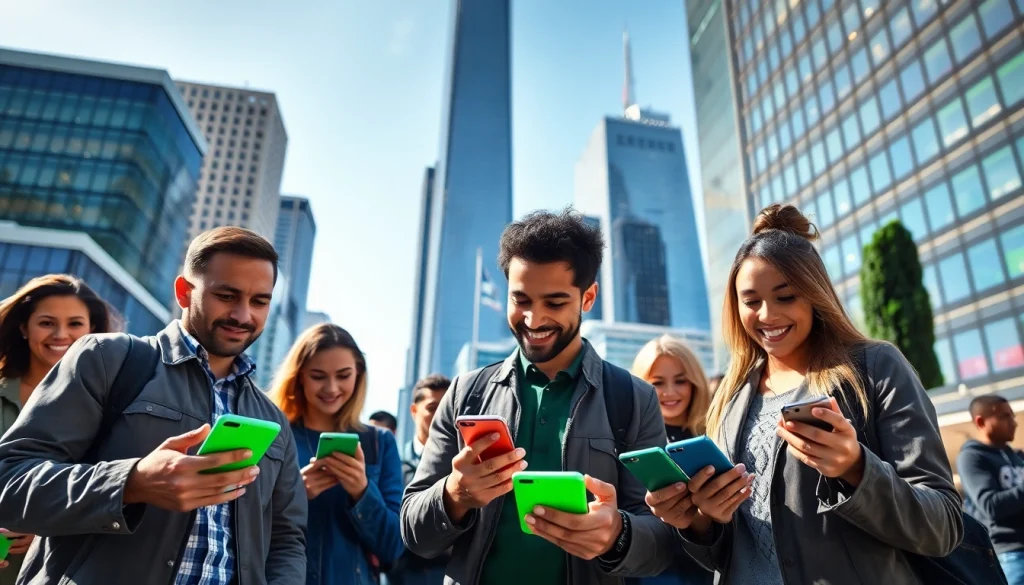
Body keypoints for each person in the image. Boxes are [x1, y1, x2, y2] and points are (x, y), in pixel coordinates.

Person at [647, 204, 963, 584]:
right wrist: (699, 521)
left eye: (785, 297)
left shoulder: (875, 367)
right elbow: (728, 554)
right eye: (751, 301)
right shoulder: (730, 395)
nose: (767, 315)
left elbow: (943, 526)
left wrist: (856, 468)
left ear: (815, 295)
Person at [0, 227, 306, 584]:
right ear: (184, 292)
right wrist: (132, 482)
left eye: (259, 302)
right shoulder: (107, 359)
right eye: (227, 295)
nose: (243, 315)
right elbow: (10, 481)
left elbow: (287, 540)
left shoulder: (272, 420)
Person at [401, 209, 675, 585]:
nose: (533, 319)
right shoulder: (465, 393)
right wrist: (454, 494)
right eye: (521, 300)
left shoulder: (634, 398)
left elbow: (663, 541)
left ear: (588, 297)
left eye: (555, 303)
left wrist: (618, 533)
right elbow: (414, 533)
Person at [0, 274, 119, 582]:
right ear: (24, 328)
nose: (61, 335)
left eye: (75, 324)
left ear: (92, 330)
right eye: (47, 323)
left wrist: (43, 525)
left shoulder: (113, 411)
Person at [270, 323, 404, 585]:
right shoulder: (275, 435)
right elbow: (242, 529)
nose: (331, 388)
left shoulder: (380, 442)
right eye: (318, 376)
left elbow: (393, 547)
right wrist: (294, 496)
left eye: (343, 376)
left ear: (359, 374)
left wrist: (362, 492)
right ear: (299, 376)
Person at [629, 336, 714, 585]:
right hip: (652, 566)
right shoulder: (628, 438)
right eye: (657, 383)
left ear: (695, 383)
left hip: (707, 562)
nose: (670, 392)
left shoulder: (717, 432)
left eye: (680, 381)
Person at [387, 374, 451, 585]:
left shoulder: (461, 467)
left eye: (447, 408)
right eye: (433, 408)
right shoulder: (394, 464)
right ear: (414, 411)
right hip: (403, 576)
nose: (441, 416)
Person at [958, 395, 1024, 584]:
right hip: (1011, 554)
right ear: (981, 422)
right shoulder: (972, 457)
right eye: (1005, 417)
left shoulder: (1015, 457)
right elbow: (991, 506)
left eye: (1012, 416)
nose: (1014, 423)